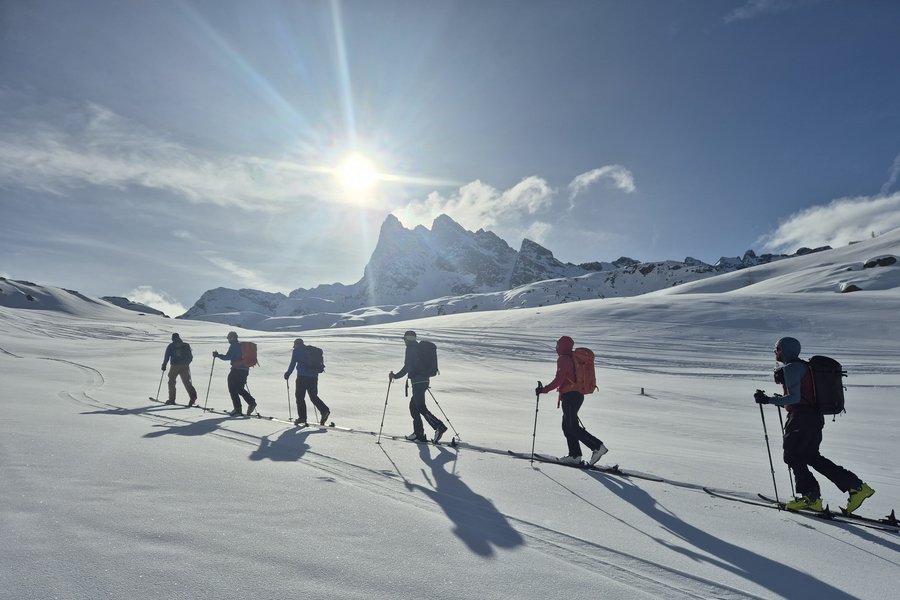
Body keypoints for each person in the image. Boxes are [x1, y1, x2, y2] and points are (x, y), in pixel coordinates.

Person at [754, 336, 874, 513]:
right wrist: (776, 400)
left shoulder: (791, 368)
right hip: (813, 417)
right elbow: (802, 398)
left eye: (777, 349)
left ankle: (811, 498)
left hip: (801, 419)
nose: (775, 352)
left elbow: (795, 398)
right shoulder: (804, 367)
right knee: (811, 456)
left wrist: (768, 400)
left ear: (785, 350)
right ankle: (856, 487)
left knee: (793, 455)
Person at [536, 335, 608, 466]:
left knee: (572, 426)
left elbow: (559, 379)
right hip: (576, 396)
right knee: (567, 426)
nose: (556, 346)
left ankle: (597, 446)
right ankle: (575, 455)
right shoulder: (572, 358)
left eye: (558, 344)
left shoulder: (563, 359)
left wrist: (544, 390)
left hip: (570, 396)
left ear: (562, 345)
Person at [389, 330, 447, 443]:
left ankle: (439, 426)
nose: (404, 341)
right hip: (423, 381)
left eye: (405, 339)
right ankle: (418, 433)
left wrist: (395, 376)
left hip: (417, 382)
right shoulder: (419, 348)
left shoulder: (411, 348)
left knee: (420, 407)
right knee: (414, 407)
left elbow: (407, 367)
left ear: (407, 339)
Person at [284, 338, 330, 426]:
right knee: (313, 396)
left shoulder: (297, 351)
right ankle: (324, 410)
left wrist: (288, 374)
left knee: (300, 397)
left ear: (296, 344)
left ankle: (302, 418)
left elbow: (293, 363)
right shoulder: (311, 350)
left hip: (302, 377)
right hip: (314, 377)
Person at [212, 331, 257, 417]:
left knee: (232, 388)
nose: (228, 339)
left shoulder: (234, 346)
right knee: (239, 388)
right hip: (245, 370)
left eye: (229, 338)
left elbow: (228, 357)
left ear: (233, 338)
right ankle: (251, 402)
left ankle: (238, 409)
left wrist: (217, 355)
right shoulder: (241, 345)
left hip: (236, 370)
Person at [161, 333, 198, 406]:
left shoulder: (171, 346)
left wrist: (164, 365)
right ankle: (193, 397)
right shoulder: (186, 345)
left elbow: (167, 356)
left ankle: (172, 399)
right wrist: (187, 363)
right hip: (185, 366)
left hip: (174, 366)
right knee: (187, 382)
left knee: (171, 382)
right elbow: (190, 357)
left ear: (172, 338)